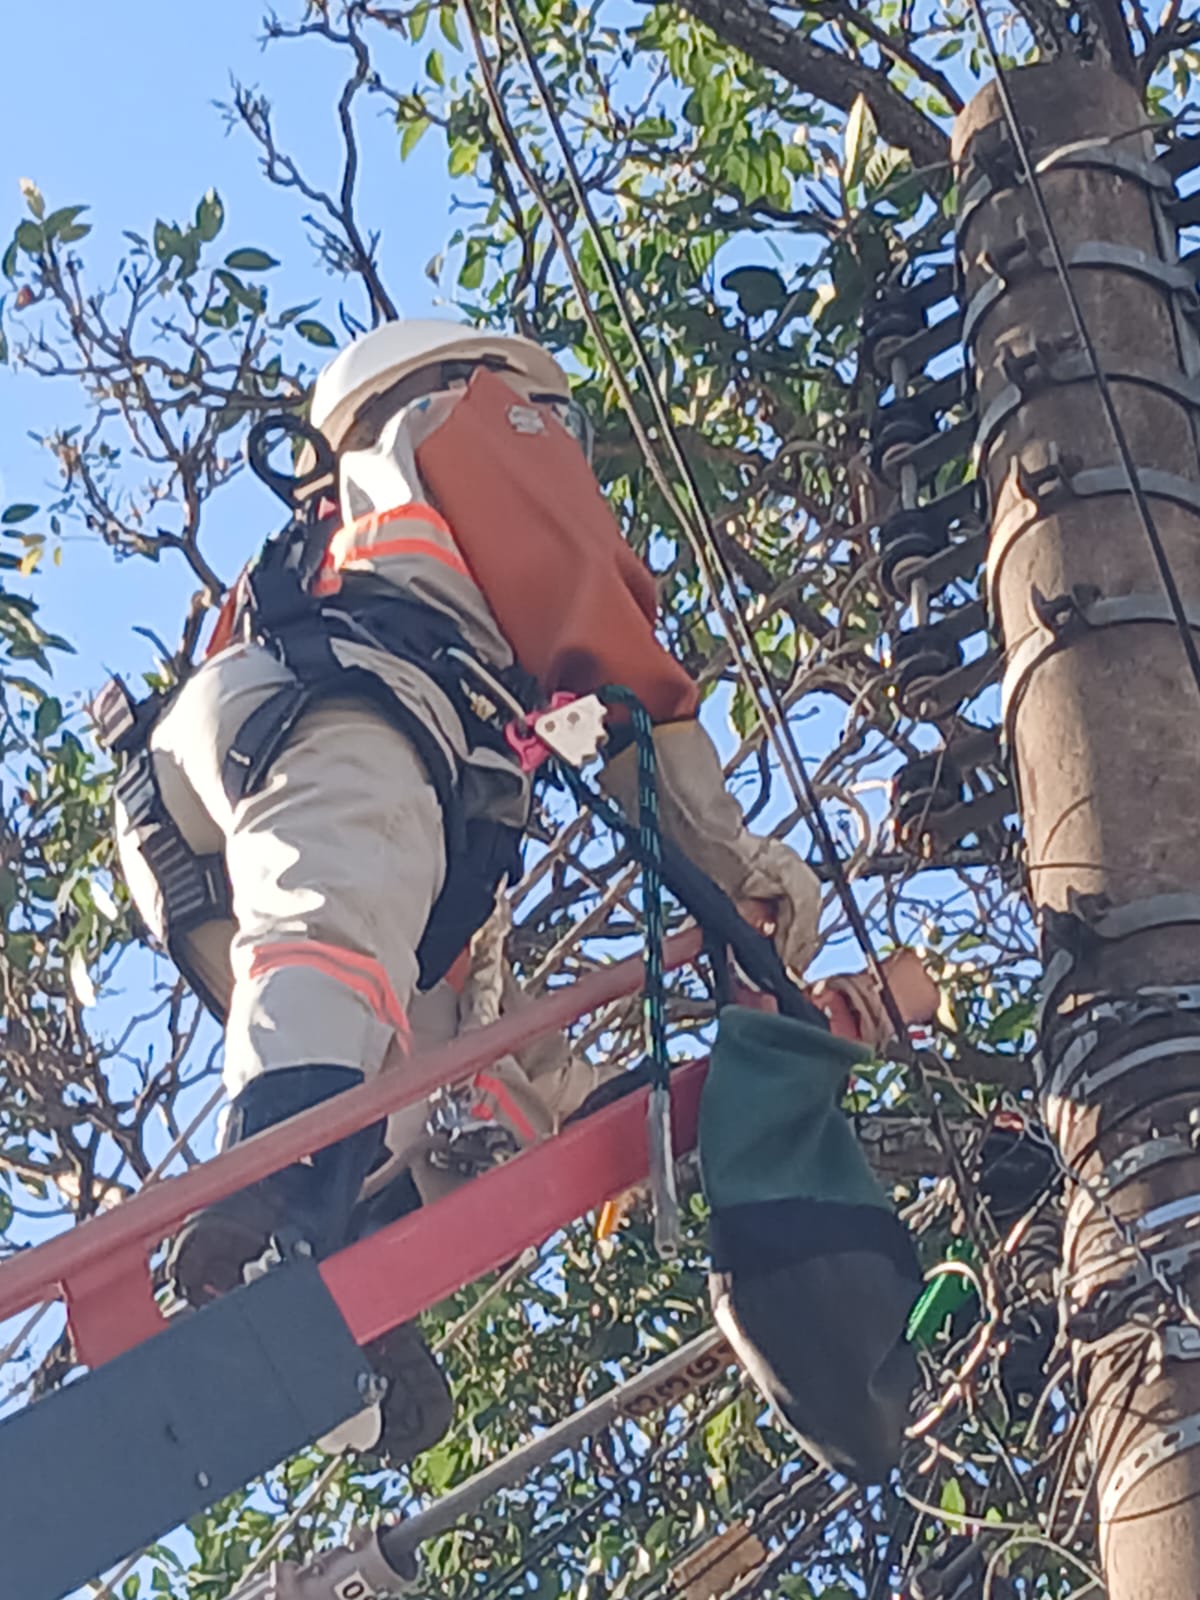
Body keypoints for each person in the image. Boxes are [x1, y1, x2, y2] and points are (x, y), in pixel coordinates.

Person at [100, 319, 826, 1464]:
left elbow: (540, 755)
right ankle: (283, 1200)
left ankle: (348, 1297)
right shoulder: (470, 425)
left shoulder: (324, 535)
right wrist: (735, 876)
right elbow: (618, 674)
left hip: (203, 807)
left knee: (420, 1058)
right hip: (346, 720)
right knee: (349, 909)